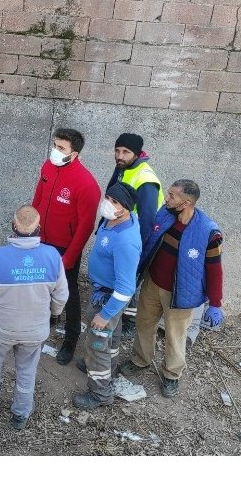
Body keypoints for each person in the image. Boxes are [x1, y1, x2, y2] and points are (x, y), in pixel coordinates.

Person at [0, 205, 67, 430]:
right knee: (27, 370)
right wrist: (55, 315)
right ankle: (21, 413)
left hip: (1, 328)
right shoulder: (52, 256)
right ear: (39, 228)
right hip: (35, 330)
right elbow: (61, 296)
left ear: (13, 226)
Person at [120, 179, 225, 398]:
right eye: (168, 194)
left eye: (172, 196)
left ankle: (171, 374)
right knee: (144, 323)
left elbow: (215, 270)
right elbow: (149, 242)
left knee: (175, 335)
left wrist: (215, 303)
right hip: (153, 283)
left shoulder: (208, 233)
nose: (167, 199)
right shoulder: (165, 214)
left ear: (186, 203)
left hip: (181, 294)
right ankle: (141, 360)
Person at [30, 127, 101, 366]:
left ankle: (70, 339)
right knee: (40, 283)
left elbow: (85, 226)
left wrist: (70, 256)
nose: (55, 151)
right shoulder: (48, 167)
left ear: (75, 154)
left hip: (64, 247)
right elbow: (38, 199)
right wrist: (31, 231)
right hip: (41, 239)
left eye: (61, 148)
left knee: (68, 292)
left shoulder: (86, 184)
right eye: (55, 145)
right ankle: (46, 320)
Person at [72, 183, 141, 410]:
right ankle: (106, 369)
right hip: (104, 293)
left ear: (126, 209)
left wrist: (105, 313)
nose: (108, 203)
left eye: (115, 202)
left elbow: (125, 288)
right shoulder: (113, 221)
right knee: (111, 337)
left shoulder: (125, 242)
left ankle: (101, 393)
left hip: (108, 299)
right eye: (108, 197)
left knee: (97, 344)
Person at [108, 132, 165, 330]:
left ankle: (129, 322)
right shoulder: (125, 168)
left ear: (137, 153)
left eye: (125, 151)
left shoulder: (145, 179)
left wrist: (135, 251)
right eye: (117, 150)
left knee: (128, 278)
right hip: (122, 233)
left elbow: (147, 220)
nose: (120, 155)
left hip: (135, 239)